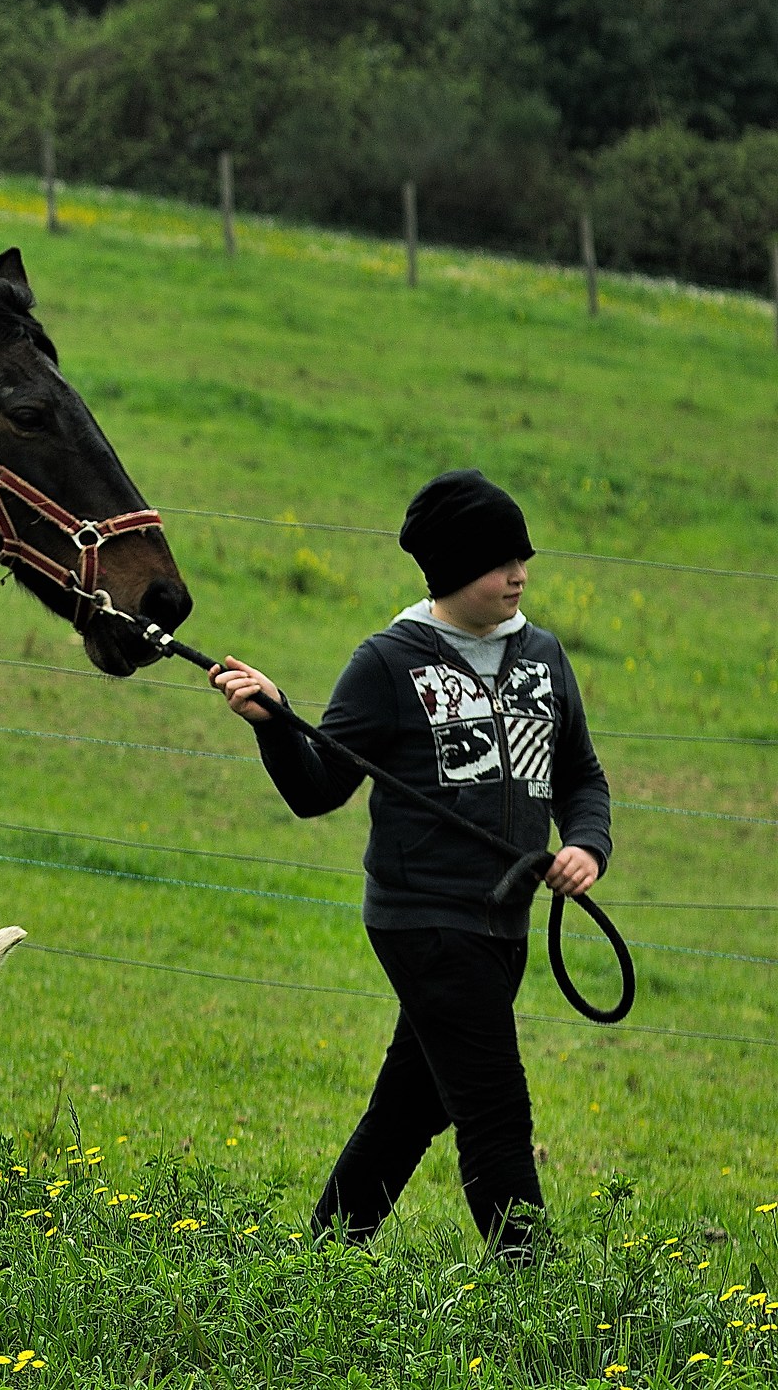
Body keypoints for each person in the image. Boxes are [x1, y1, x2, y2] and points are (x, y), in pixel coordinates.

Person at [208, 469, 610, 1258]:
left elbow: (580, 777)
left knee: (411, 1105)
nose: (520, 575)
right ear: (455, 569)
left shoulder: (544, 656)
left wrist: (585, 844)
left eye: (523, 558)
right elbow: (318, 788)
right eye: (502, 562)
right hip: (423, 917)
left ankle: (323, 1256)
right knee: (496, 1109)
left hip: (505, 921)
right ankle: (540, 1294)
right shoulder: (389, 662)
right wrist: (274, 723)